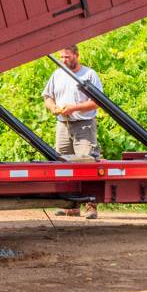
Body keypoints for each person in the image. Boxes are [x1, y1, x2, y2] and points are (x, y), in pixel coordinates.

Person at [42, 44, 101, 219]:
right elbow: (47, 96)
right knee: (63, 164)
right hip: (63, 124)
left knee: (87, 163)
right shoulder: (57, 74)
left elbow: (96, 101)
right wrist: (52, 107)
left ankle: (91, 206)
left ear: (76, 55)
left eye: (67, 57)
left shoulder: (89, 74)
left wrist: (74, 108)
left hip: (84, 124)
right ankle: (71, 206)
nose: (63, 60)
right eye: (61, 57)